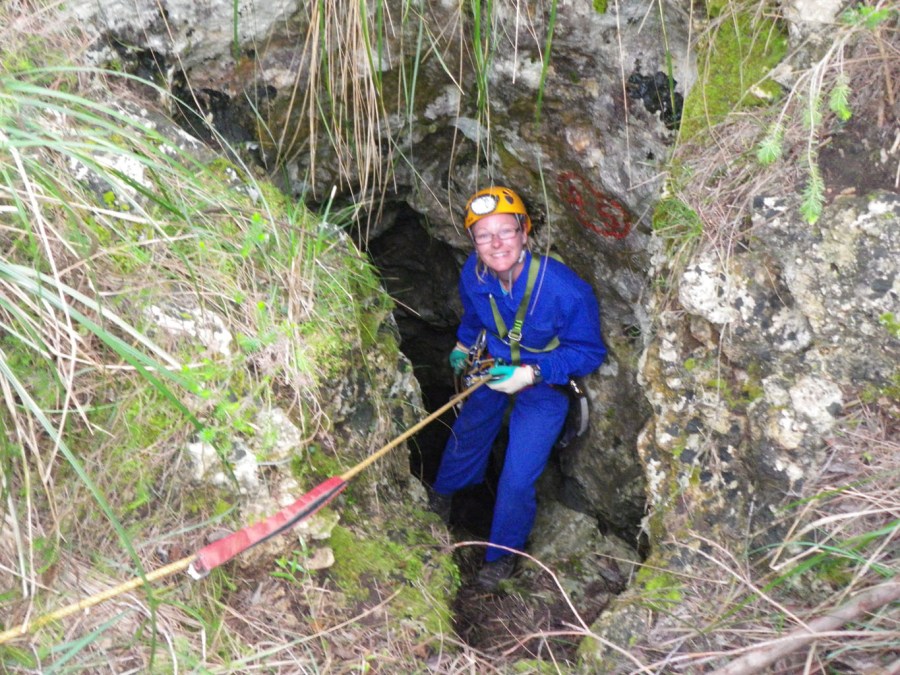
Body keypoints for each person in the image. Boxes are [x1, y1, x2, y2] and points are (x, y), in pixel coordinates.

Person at [428, 186, 606, 591]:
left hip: (544, 382)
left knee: (517, 476)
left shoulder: (565, 290)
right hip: (492, 367)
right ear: (473, 242)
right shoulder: (473, 274)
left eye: (505, 231)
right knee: (468, 431)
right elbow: (475, 316)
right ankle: (443, 496)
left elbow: (589, 352)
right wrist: (461, 344)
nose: (495, 243)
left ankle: (500, 556)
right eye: (483, 235)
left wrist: (534, 374)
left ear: (525, 232)